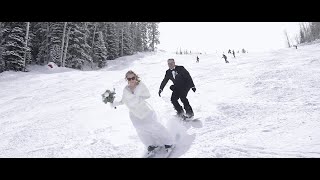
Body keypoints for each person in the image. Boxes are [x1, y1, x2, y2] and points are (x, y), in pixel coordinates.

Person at [111, 70, 174, 155]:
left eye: (133, 78)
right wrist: (114, 103)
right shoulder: (126, 89)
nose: (131, 80)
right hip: (134, 114)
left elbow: (148, 95)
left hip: (145, 111)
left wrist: (139, 98)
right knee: (141, 130)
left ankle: (169, 143)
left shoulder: (140, 86)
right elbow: (123, 101)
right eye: (129, 79)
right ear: (127, 79)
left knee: (154, 126)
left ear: (136, 77)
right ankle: (151, 145)